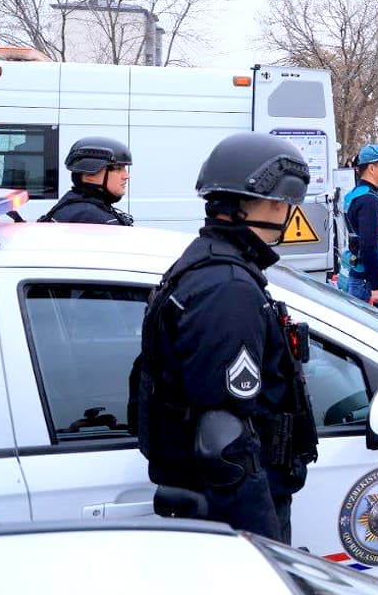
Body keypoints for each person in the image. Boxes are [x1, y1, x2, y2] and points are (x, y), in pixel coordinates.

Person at [133, 132, 317, 543]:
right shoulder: (228, 288)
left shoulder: (209, 264)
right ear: (265, 203)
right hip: (232, 509)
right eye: (285, 203)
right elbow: (223, 437)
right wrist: (261, 544)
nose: (288, 213)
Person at [342, 145, 378, 306]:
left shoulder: (360, 194)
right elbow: (368, 245)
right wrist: (377, 286)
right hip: (369, 283)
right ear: (372, 168)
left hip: (366, 278)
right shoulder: (369, 201)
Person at [39, 137, 134, 225]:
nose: (126, 176)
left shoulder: (73, 203)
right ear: (89, 175)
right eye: (118, 169)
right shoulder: (90, 217)